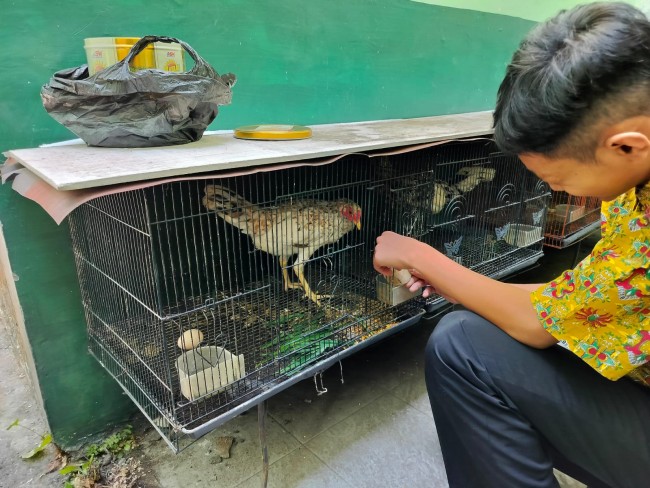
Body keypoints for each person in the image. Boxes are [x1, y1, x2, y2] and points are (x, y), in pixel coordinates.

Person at [373, 3, 650, 487]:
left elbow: (540, 323)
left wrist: (421, 256)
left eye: (559, 178)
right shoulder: (638, 180)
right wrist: (453, 281)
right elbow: (572, 304)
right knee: (478, 324)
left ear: (627, 145)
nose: (561, 193)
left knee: (460, 346)